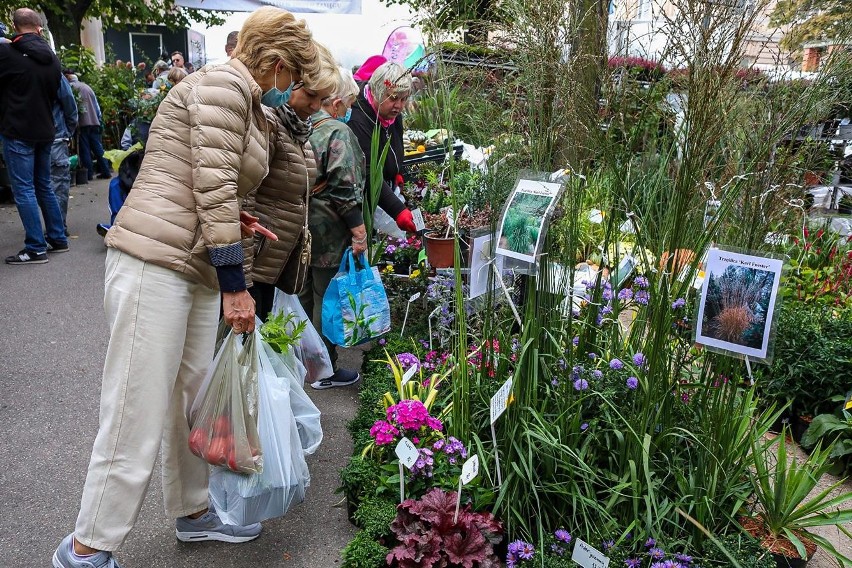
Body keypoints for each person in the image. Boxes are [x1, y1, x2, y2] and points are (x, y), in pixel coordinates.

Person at [52, 7, 321, 568]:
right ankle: (87, 547)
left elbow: (202, 182)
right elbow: (215, 184)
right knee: (135, 407)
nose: (290, 90)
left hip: (189, 263)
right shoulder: (225, 86)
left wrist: (237, 227)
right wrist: (236, 285)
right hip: (157, 263)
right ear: (273, 63)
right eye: (291, 78)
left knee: (190, 404)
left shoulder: (242, 97)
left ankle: (194, 511)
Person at [243, 42, 338, 321]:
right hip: (255, 266)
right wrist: (241, 280)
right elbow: (246, 197)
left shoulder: (297, 129)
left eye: (322, 99)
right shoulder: (268, 124)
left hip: (272, 264)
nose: (315, 106)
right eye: (311, 95)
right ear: (290, 82)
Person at [290, 65, 367, 389]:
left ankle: (300, 364)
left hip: (297, 223)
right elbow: (345, 188)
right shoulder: (336, 132)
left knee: (302, 293)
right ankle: (324, 369)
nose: (349, 111)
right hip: (327, 228)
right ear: (335, 102)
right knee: (326, 296)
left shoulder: (301, 125)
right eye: (348, 104)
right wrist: (359, 231)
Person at [0, 8, 69, 264]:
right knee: (43, 185)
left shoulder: (7, 54)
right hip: (46, 130)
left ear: (14, 25)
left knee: (24, 190)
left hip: (18, 130)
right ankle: (58, 238)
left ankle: (35, 248)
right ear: (39, 27)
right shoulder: (52, 58)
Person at [348, 61, 417, 234]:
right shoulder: (358, 118)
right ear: (377, 92)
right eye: (393, 98)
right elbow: (368, 172)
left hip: (386, 188)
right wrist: (398, 210)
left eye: (403, 99)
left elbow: (396, 144)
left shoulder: (391, 113)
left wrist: (398, 171)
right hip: (366, 198)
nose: (399, 106)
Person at [64, 70, 112, 180]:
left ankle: (88, 174)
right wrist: (98, 120)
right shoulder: (86, 87)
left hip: (82, 123)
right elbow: (97, 107)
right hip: (94, 122)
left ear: (67, 76)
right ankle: (106, 171)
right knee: (98, 148)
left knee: (85, 149)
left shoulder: (70, 88)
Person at [51, 74, 78, 236]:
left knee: (31, 188)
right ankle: (58, 227)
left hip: (27, 139)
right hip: (55, 136)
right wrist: (67, 132)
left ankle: (52, 228)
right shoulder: (51, 71)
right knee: (58, 184)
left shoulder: (14, 67)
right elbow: (70, 104)